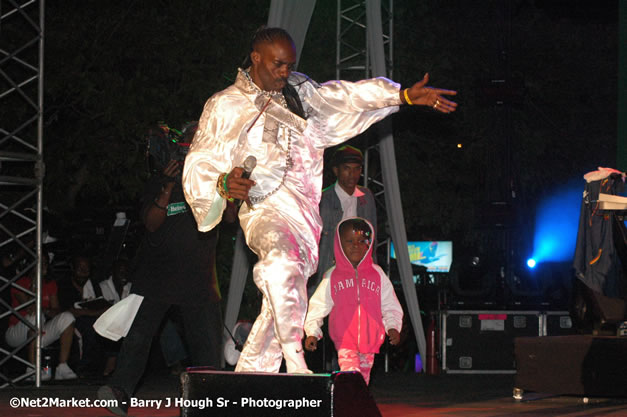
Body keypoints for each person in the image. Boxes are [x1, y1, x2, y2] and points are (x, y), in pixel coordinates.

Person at [182, 27, 456, 374]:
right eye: (278, 64)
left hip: (304, 213)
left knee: (287, 289)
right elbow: (200, 161)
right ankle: (297, 364)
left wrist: (400, 97)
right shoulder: (225, 105)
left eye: (289, 65)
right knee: (282, 264)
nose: (285, 72)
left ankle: (251, 377)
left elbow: (345, 98)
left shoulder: (299, 91)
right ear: (255, 59)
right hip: (265, 208)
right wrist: (223, 182)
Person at [98, 156, 227, 417]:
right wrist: (167, 187)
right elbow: (151, 223)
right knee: (138, 337)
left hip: (198, 279)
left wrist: (225, 185)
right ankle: (120, 391)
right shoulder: (161, 180)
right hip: (157, 276)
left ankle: (209, 402)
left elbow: (232, 218)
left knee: (208, 349)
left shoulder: (216, 177)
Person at [304, 217, 403, 385]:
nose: (355, 245)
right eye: (349, 241)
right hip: (344, 340)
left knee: (362, 381)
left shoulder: (377, 275)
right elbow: (318, 305)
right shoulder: (333, 276)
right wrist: (312, 332)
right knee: (352, 376)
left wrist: (393, 326)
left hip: (370, 341)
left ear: (369, 244)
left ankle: (356, 407)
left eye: (361, 241)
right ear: (339, 244)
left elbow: (389, 304)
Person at [310, 145, 377, 298]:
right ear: (336, 170)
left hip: (358, 272)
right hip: (327, 271)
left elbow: (372, 240)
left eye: (356, 169)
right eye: (347, 168)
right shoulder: (322, 199)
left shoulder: (366, 197)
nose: (352, 174)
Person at [5, 251, 78, 381]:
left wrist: (48, 311)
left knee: (68, 317)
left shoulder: (50, 284)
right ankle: (32, 368)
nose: (43, 265)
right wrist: (36, 281)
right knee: (36, 316)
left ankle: (62, 366)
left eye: (45, 263)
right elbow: (30, 307)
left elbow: (55, 309)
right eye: (39, 263)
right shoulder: (20, 282)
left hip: (38, 330)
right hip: (17, 332)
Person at [57, 254, 111, 376]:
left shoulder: (93, 285)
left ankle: (103, 370)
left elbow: (102, 305)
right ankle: (82, 368)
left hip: (92, 320)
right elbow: (69, 311)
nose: (83, 272)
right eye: (80, 268)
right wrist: (93, 312)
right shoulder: (64, 284)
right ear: (73, 268)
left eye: (86, 268)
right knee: (89, 329)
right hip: (70, 323)